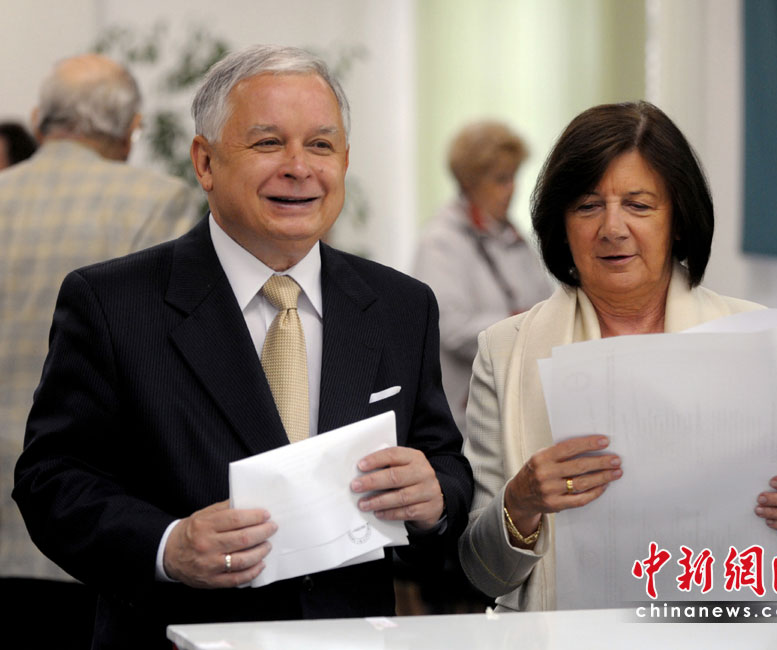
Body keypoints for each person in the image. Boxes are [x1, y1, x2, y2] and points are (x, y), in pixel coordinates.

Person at [13, 44, 472, 649]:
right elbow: (51, 479)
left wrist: (436, 498)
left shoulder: (400, 306)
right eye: (268, 143)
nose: (299, 167)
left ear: (344, 160)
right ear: (205, 163)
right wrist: (167, 545)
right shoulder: (112, 303)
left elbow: (445, 463)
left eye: (320, 144)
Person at [458, 101, 777, 611]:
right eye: (588, 206)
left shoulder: (748, 336)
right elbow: (481, 573)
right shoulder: (505, 351)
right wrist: (520, 503)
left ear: (677, 221)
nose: (612, 228)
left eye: (638, 206)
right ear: (561, 225)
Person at [0, 53, 202, 647]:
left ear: (39, 119)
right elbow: (173, 364)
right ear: (131, 130)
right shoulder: (159, 201)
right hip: (96, 510)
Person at [413, 121, 551, 434]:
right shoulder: (441, 243)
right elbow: (450, 328)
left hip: (520, 406)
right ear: (470, 182)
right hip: (468, 417)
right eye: (501, 179)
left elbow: (547, 307)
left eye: (514, 176)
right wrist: (521, 326)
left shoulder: (515, 239)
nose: (512, 188)